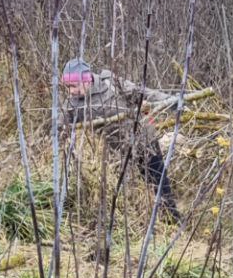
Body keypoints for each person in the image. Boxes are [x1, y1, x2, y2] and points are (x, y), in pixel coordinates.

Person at [59, 58, 181, 219]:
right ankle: (135, 220)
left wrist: (170, 101)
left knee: (157, 181)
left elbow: (141, 92)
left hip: (142, 139)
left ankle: (171, 218)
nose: (71, 91)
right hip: (115, 152)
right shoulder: (72, 105)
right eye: (67, 87)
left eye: (74, 86)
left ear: (86, 80)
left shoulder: (110, 83)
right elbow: (59, 128)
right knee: (122, 189)